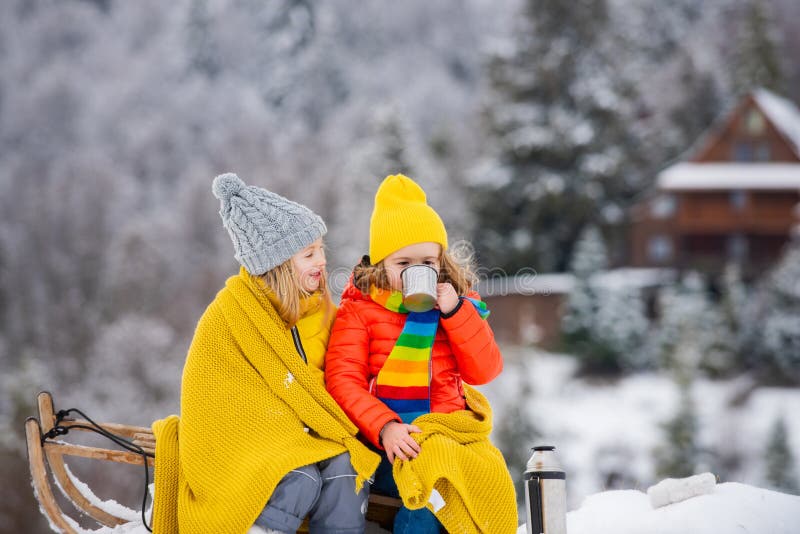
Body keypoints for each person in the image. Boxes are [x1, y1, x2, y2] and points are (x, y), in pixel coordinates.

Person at [150, 173, 379, 534]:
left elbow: (340, 370)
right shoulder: (231, 315)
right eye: (308, 254)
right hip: (253, 441)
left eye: (321, 249)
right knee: (299, 477)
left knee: (347, 470)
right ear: (278, 266)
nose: (321, 260)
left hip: (311, 433)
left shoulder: (320, 310)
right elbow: (212, 397)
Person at [325, 174, 517, 534]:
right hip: (384, 444)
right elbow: (342, 380)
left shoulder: (458, 306)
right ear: (380, 263)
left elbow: (485, 370)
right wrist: (385, 428)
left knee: (476, 477)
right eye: (404, 264)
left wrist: (455, 315)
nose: (418, 272)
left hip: (443, 437)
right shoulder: (360, 310)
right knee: (428, 480)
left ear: (440, 262)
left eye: (427, 263)